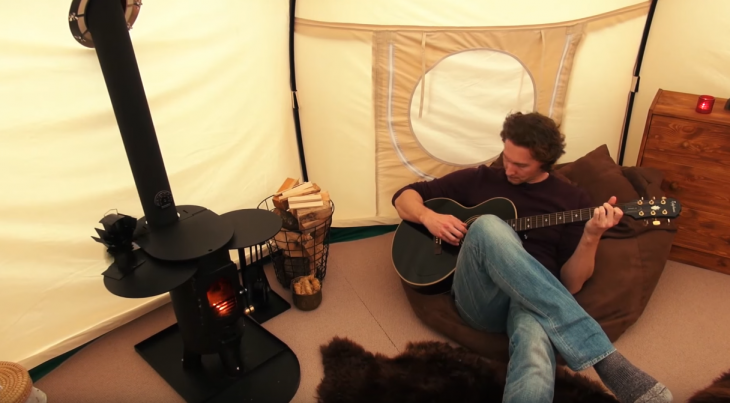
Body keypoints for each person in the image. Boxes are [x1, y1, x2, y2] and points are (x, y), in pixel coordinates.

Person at [392, 112, 672, 403]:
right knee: (487, 225)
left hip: (535, 304)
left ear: (544, 161)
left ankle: (593, 357)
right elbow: (404, 196)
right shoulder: (479, 179)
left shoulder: (572, 201)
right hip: (481, 298)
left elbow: (571, 284)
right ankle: (605, 360)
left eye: (521, 165)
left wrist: (592, 235)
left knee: (537, 356)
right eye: (506, 157)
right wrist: (429, 217)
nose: (509, 169)